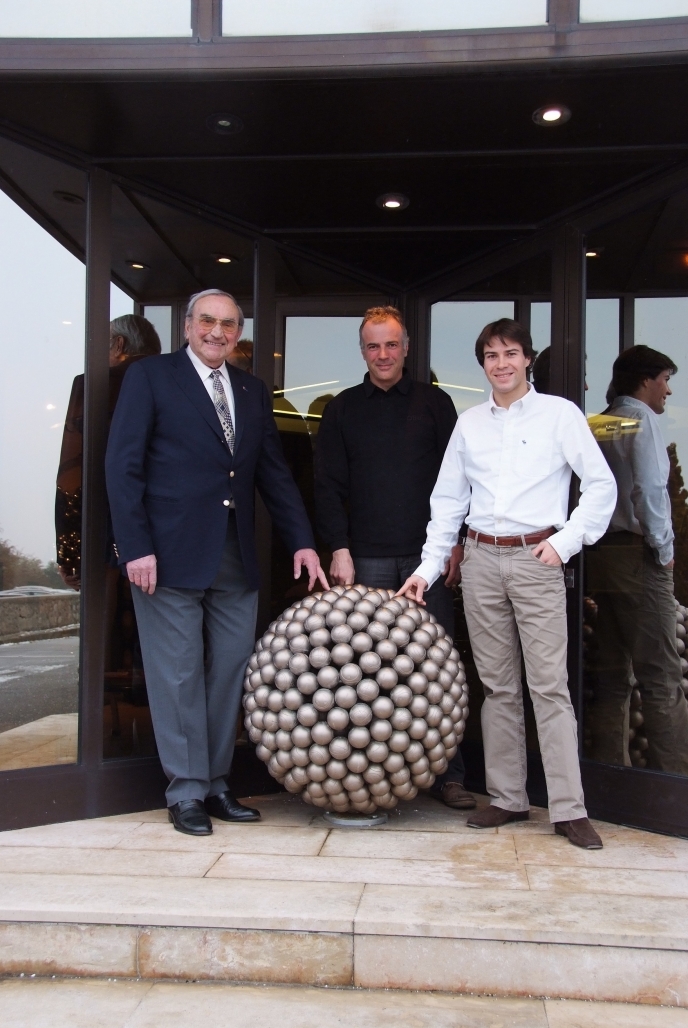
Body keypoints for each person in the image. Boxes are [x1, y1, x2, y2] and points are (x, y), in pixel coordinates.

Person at [105, 289, 327, 837]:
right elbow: (122, 465)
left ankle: (216, 783)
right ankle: (184, 791)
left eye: (228, 324)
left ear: (237, 331)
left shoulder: (252, 391)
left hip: (235, 555)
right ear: (187, 326)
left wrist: (301, 540)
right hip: (166, 556)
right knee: (177, 675)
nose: (217, 332)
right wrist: (135, 547)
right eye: (207, 321)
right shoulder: (151, 377)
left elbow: (272, 473)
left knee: (230, 672)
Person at [398, 318, 617, 849]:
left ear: (527, 360)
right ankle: (507, 799)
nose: (501, 363)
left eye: (511, 353)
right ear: (483, 364)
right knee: (497, 687)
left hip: (537, 560)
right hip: (479, 561)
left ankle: (568, 808)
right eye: (491, 355)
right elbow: (447, 503)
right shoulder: (469, 424)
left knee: (549, 687)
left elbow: (602, 485)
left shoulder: (559, 415)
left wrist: (563, 543)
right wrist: (427, 571)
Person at [314, 305, 475, 810]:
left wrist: (455, 543)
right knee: (365, 673)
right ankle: (372, 774)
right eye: (372, 345)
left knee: (437, 668)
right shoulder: (341, 409)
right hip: (365, 561)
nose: (382, 354)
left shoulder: (436, 403)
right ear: (362, 351)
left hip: (426, 559)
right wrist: (338, 549)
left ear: (406, 349)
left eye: (391, 344)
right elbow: (326, 486)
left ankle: (448, 774)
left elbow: (460, 483)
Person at [587, 345, 688, 773]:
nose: (667, 390)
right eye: (665, 379)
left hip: (602, 556)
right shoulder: (641, 419)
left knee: (611, 675)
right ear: (646, 380)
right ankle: (674, 787)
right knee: (661, 675)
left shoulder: (603, 423)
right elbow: (648, 489)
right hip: (637, 552)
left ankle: (613, 778)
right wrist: (665, 550)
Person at [56, 314, 162, 587]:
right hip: (171, 532)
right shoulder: (181, 385)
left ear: (118, 345)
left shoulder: (96, 385)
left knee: (108, 618)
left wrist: (70, 554)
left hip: (107, 532)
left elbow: (73, 476)